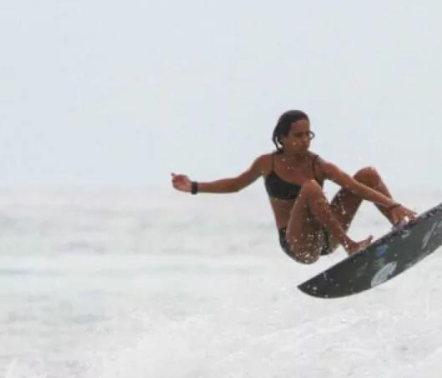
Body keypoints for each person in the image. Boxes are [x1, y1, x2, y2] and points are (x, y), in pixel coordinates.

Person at [170, 110, 416, 264]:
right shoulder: (267, 163)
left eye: (309, 134)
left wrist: (393, 204)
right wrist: (193, 186)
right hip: (299, 245)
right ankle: (350, 245)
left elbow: (353, 186)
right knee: (310, 188)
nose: (305, 140)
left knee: (367, 175)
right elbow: (235, 185)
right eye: (298, 135)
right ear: (282, 138)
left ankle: (399, 222)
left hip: (327, 237)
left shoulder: (318, 164)